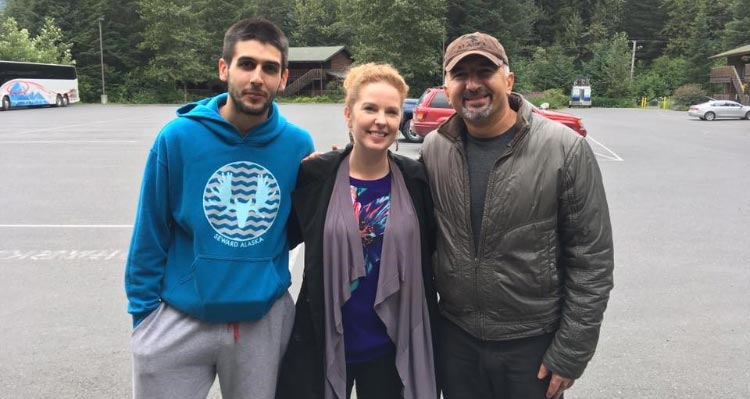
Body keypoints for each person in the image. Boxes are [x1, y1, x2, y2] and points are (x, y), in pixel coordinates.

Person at [124, 18, 314, 399]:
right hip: (181, 317)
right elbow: (151, 230)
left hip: (261, 322)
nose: (257, 78)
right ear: (224, 68)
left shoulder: (296, 145)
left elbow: (294, 230)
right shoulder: (178, 137)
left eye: (269, 68)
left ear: (283, 77)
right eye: (247, 64)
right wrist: (144, 319)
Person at [419, 32, 614, 399]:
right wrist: (339, 169)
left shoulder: (564, 149)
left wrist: (571, 352)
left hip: (532, 346)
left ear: (508, 79)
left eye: (484, 71)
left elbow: (592, 260)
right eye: (460, 75)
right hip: (457, 342)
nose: (473, 84)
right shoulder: (435, 149)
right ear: (446, 85)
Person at [276, 63, 439, 399]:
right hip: (324, 339)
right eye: (370, 108)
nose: (381, 120)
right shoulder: (315, 176)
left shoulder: (416, 179)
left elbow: (433, 250)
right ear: (348, 115)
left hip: (391, 344)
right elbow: (282, 238)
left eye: (391, 112)